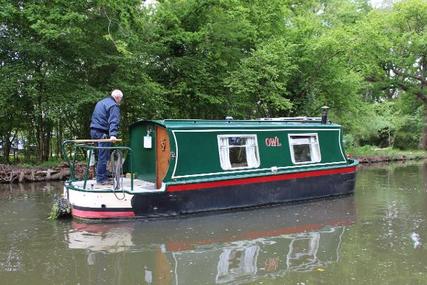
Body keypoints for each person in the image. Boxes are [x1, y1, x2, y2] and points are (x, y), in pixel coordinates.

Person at [90, 89, 123, 184]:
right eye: (120, 99)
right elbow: (114, 121)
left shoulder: (101, 102)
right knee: (103, 156)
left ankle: (102, 176)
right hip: (102, 133)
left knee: (100, 155)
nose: (120, 101)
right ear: (118, 97)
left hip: (94, 131)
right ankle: (101, 179)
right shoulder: (113, 105)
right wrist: (113, 135)